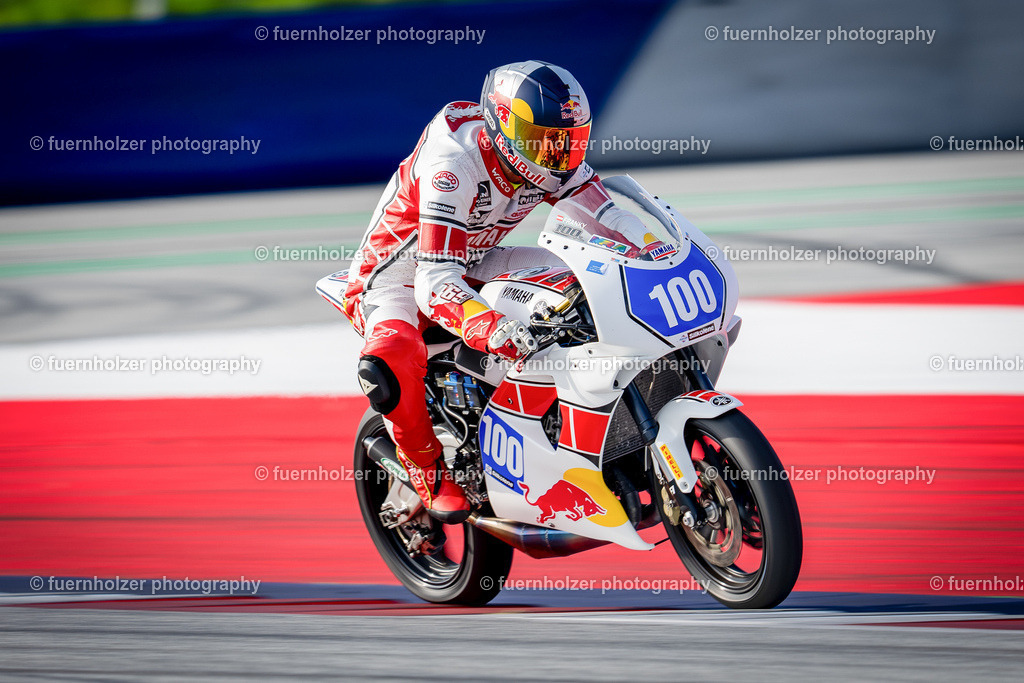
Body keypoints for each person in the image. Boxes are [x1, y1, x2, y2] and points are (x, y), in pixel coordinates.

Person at [342, 60, 623, 524]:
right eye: (544, 140)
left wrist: (653, 245)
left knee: (585, 277)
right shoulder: (453, 163)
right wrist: (493, 328)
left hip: (473, 262)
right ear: (502, 128)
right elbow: (434, 285)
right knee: (391, 353)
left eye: (567, 141)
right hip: (398, 280)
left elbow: (606, 213)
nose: (556, 156)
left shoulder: (547, 160)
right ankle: (424, 468)